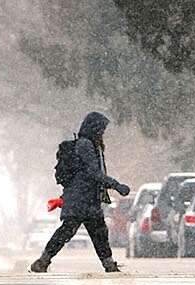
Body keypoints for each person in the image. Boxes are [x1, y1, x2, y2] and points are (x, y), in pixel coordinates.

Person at [31, 112, 130, 273]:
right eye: (101, 129)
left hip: (85, 198)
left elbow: (89, 173)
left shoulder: (91, 145)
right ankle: (43, 261)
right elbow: (94, 172)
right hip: (82, 199)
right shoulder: (85, 145)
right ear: (94, 128)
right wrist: (116, 185)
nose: (103, 133)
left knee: (93, 232)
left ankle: (44, 261)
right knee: (78, 232)